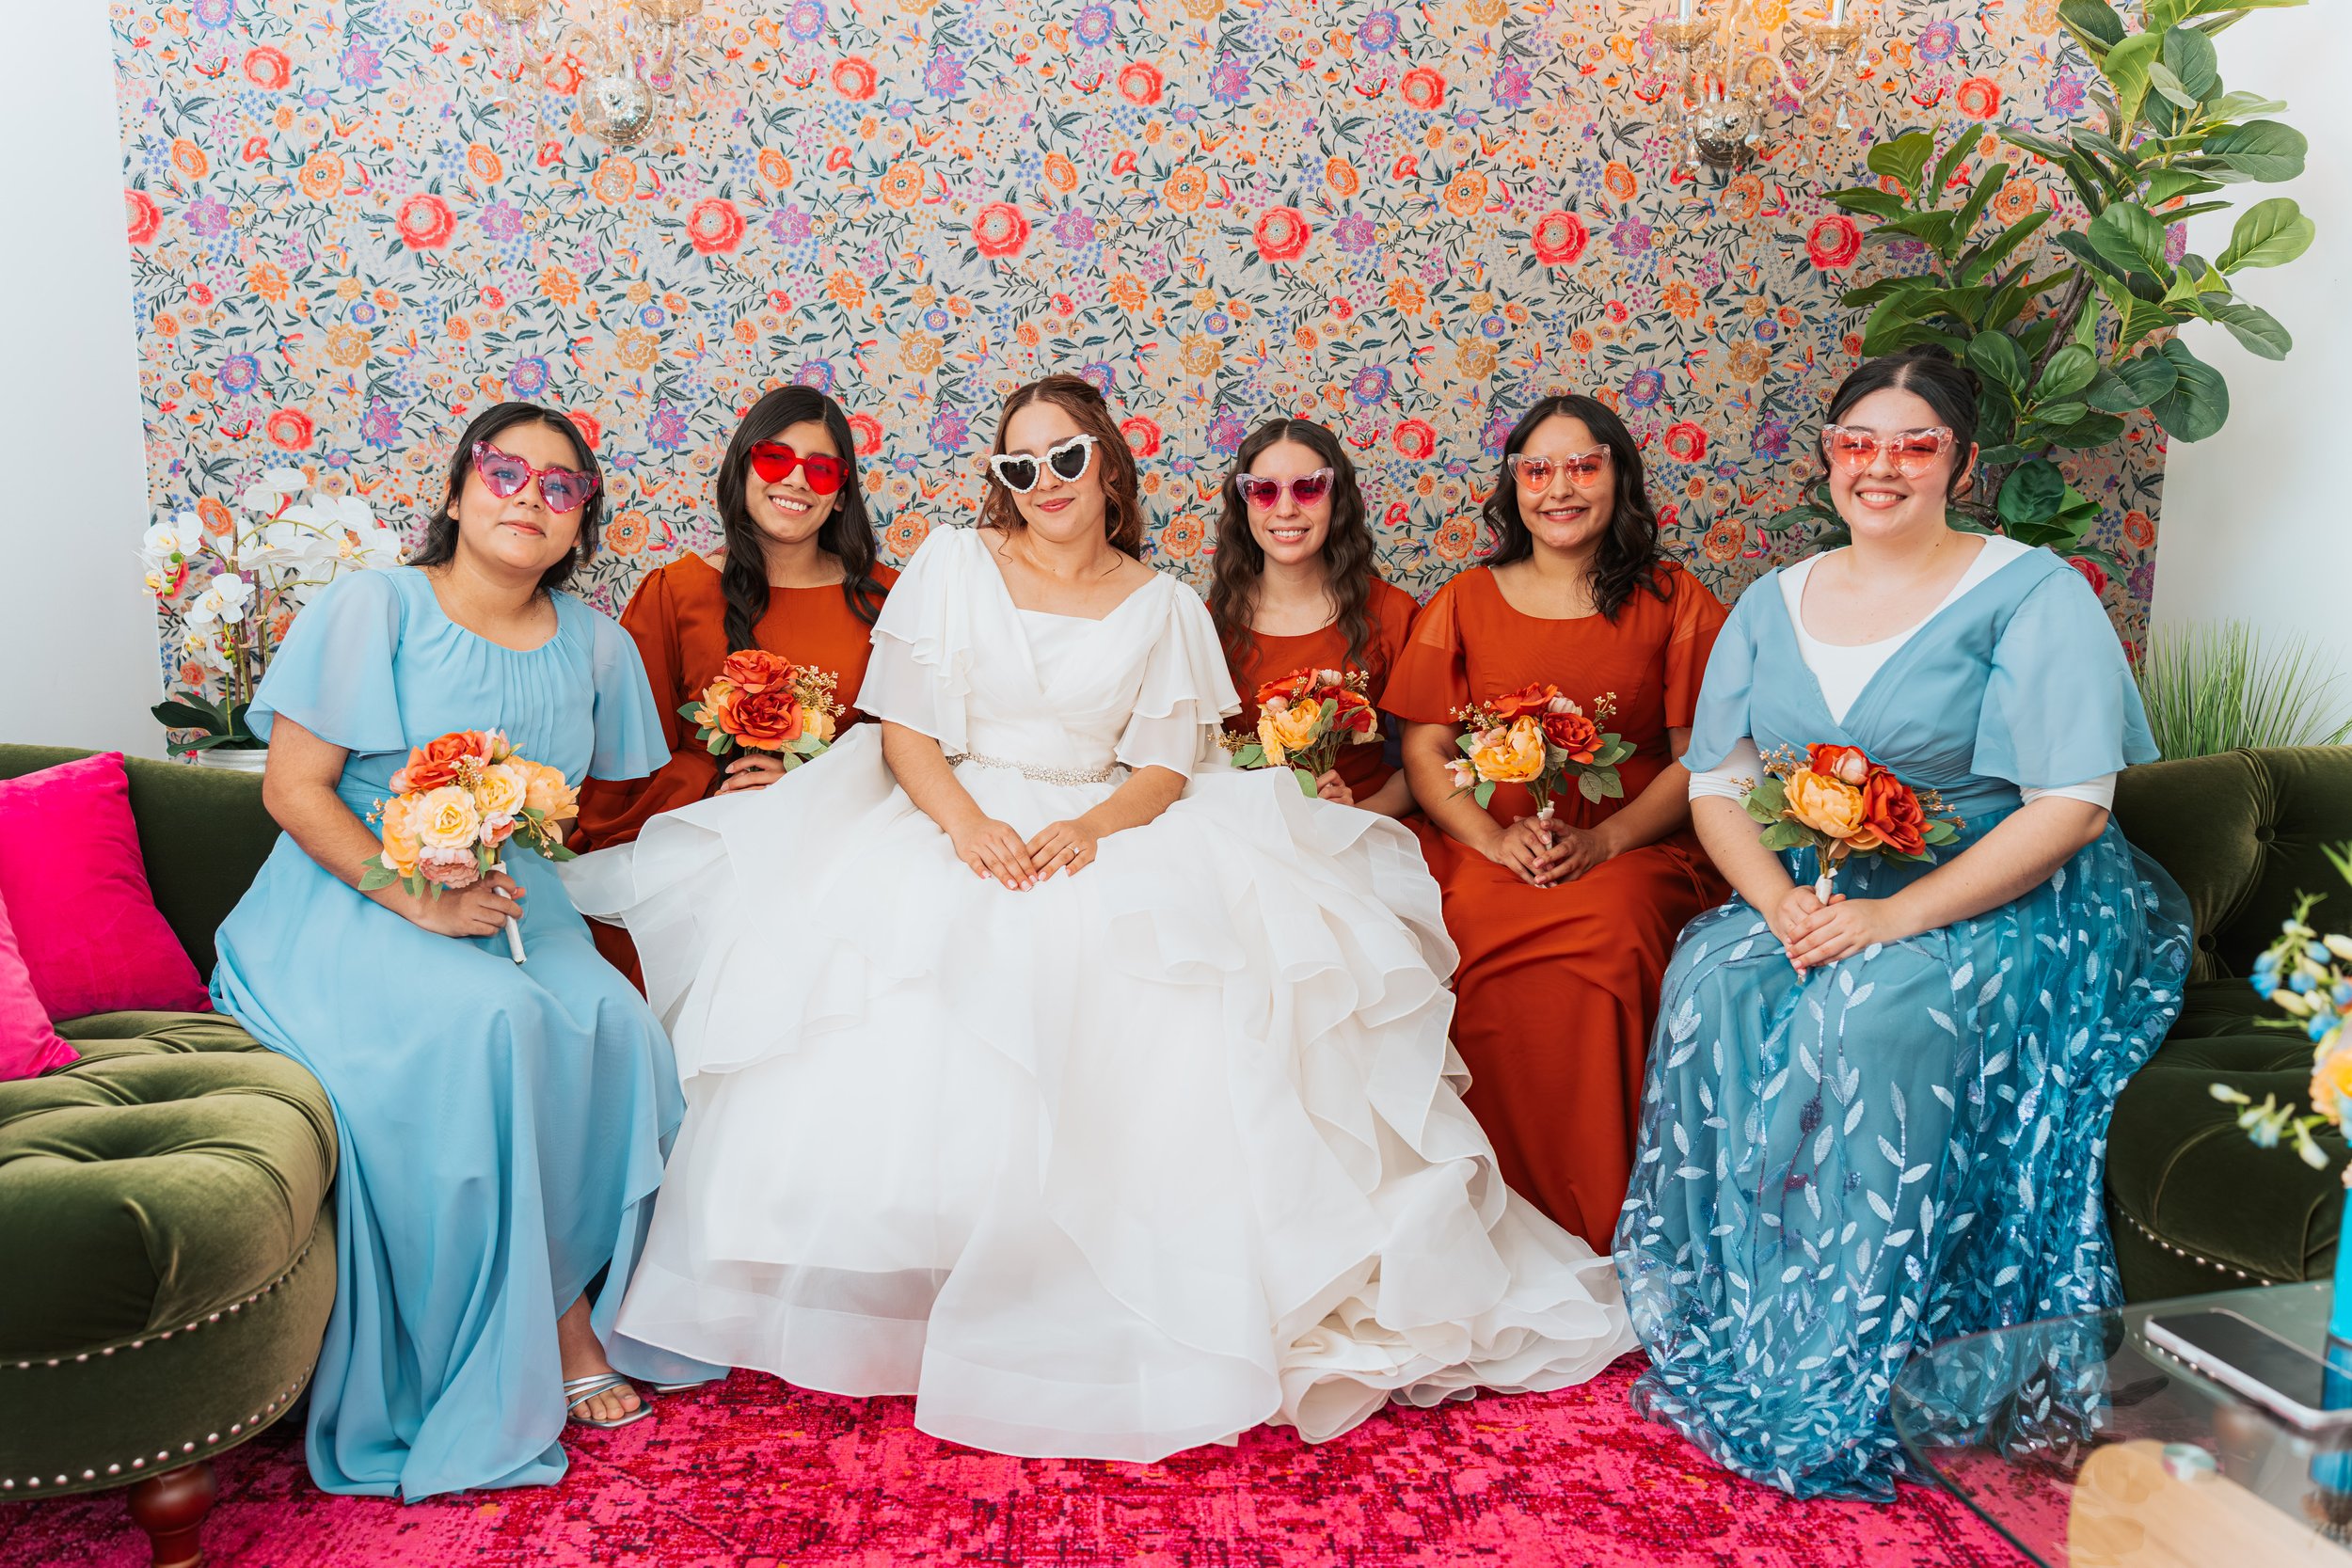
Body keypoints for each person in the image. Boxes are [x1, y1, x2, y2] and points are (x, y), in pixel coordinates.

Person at [561, 374, 1635, 1462]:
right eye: (1018, 466)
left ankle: (1102, 1273)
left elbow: (1167, 763)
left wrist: (1094, 829)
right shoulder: (953, 564)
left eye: (1064, 458)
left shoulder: (1164, 603)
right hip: (953, 805)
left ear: (1107, 465)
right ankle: (931, 1273)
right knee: (907, 971)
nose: (1044, 483)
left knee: (1166, 985)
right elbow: (907, 733)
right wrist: (970, 826)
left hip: (1105, 818)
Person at [1614, 346, 2192, 1499]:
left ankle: (1880, 1353)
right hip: (1818, 885)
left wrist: (1895, 922)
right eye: (1856, 442)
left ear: (1960, 463)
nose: (1881, 466)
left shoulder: (2034, 593)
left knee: (1874, 1015)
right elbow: (1718, 782)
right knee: (1713, 981)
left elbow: (2073, 808)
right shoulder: (1775, 600)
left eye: (1914, 444)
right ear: (1828, 456)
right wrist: (1774, 902)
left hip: (2013, 892)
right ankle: (1752, 1313)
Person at [208, 403, 716, 1499]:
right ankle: (558, 1324)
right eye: (504, 471)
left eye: (561, 485)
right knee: (500, 1024)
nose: (530, 495)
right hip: (350, 902)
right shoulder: (374, 605)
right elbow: (290, 786)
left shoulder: (598, 643)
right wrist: (416, 894)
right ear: (454, 491)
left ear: (583, 521)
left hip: (520, 900)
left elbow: (597, 808)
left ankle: (593, 1293)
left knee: (624, 1028)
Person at [1385, 395, 1728, 1248]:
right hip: (1487, 846)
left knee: (1611, 935)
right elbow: (1424, 749)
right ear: (1513, 486)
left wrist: (1608, 839)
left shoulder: (1675, 598)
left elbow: (1701, 756)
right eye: (1538, 469)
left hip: (1629, 846)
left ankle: (1608, 1220)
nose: (1560, 488)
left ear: (1620, 475)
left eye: (1584, 465)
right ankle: (1482, 1224)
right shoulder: (1466, 597)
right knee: (1461, 929)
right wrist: (1492, 839)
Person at [574, 387, 898, 991]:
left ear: (842, 490)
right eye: (776, 459)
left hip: (848, 848)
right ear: (743, 466)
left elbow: (918, 747)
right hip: (699, 845)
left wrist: (807, 791)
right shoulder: (676, 592)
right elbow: (624, 760)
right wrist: (723, 790)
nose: (797, 481)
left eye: (821, 469)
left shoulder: (888, 599)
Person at [1206, 419, 1418, 816]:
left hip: (1366, 826)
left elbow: (1424, 764)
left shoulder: (1395, 614)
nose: (1286, 510)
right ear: (1244, 504)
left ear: (1337, 497)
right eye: (1264, 491)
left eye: (1308, 488)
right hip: (1250, 829)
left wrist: (1354, 816)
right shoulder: (1211, 622)